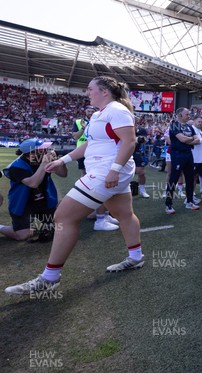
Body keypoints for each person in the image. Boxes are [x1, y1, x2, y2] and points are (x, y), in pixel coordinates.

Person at [5, 76, 145, 295]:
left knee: (63, 217)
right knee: (124, 214)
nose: (87, 93)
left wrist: (114, 171)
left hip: (106, 171)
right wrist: (63, 160)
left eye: (90, 89)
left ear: (105, 92)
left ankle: (50, 278)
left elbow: (129, 141)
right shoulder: (100, 114)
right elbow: (89, 144)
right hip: (108, 171)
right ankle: (136, 258)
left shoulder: (116, 110)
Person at [1, 139, 67, 242]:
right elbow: (33, 183)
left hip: (44, 202)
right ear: (31, 154)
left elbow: (63, 174)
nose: (46, 151)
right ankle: (1, 227)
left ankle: (39, 225)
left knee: (61, 228)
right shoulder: (16, 167)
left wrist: (60, 162)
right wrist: (44, 163)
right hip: (23, 205)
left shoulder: (41, 159)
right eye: (42, 150)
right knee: (23, 235)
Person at [72, 105, 119, 231]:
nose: (90, 112)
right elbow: (75, 136)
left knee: (102, 182)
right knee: (90, 179)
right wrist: (83, 128)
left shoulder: (100, 120)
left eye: (92, 111)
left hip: (98, 152)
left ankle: (102, 213)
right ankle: (94, 211)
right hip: (84, 152)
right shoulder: (78, 122)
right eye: (88, 110)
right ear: (85, 111)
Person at [165, 107, 200, 214]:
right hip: (177, 155)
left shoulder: (189, 127)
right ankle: (168, 205)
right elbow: (183, 139)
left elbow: (197, 140)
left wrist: (187, 140)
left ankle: (189, 202)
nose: (189, 116)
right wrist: (190, 139)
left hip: (189, 155)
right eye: (187, 114)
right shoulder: (174, 125)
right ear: (180, 115)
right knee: (173, 179)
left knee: (190, 179)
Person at [133, 118, 150, 198]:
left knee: (141, 172)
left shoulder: (141, 129)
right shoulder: (122, 128)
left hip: (136, 152)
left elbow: (144, 140)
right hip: (123, 152)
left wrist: (138, 140)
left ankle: (142, 190)